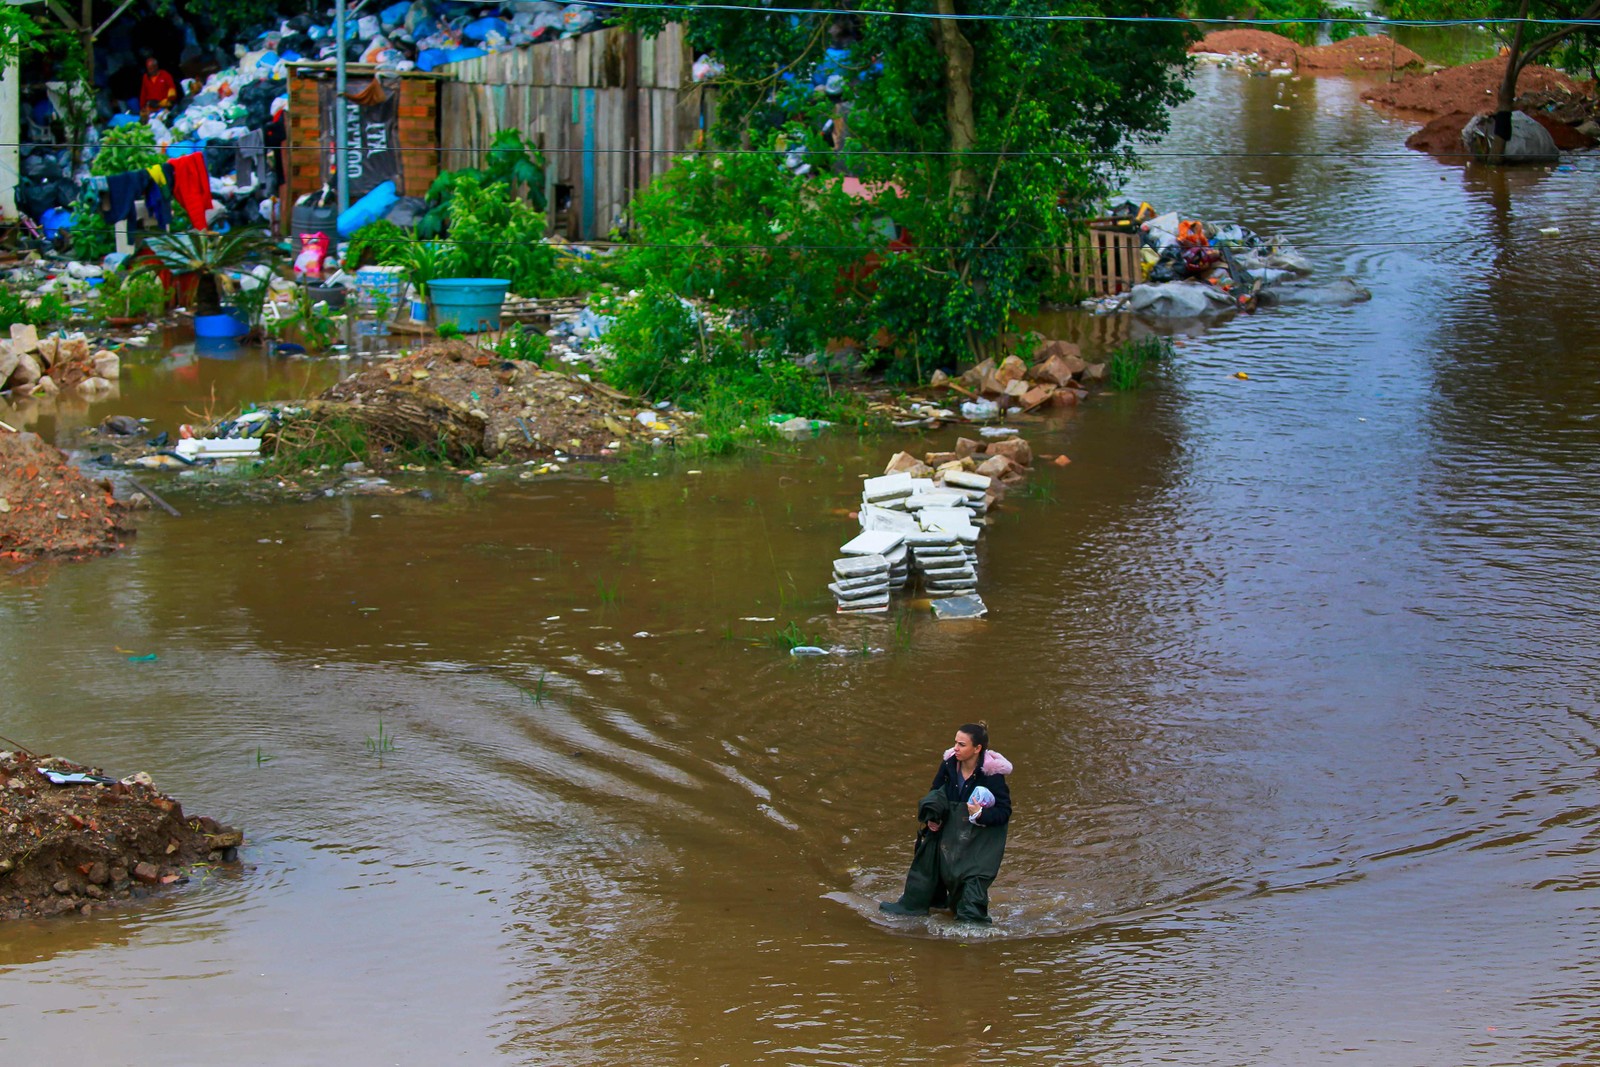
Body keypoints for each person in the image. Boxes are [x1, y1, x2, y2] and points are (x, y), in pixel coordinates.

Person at [880, 721, 1012, 923]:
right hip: (948, 832)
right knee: (928, 867)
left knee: (971, 896)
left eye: (961, 744)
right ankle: (918, 906)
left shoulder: (992, 776)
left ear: (977, 749)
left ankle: (971, 932)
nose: (955, 749)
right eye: (955, 743)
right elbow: (936, 793)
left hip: (979, 840)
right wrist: (933, 818)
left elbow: (1004, 811)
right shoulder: (949, 765)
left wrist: (981, 814)